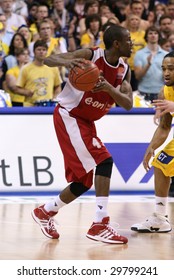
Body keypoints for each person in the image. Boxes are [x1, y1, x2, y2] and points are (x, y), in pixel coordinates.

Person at [31, 25, 133, 244]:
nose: (132, 43)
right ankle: (99, 224)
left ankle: (45, 211)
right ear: (117, 43)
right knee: (105, 161)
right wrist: (68, 62)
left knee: (84, 181)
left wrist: (108, 89)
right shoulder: (90, 55)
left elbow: (127, 104)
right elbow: (49, 60)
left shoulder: (124, 69)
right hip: (70, 115)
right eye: (128, 40)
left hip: (85, 121)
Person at [131, 50, 174, 233]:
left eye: (171, 69)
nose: (166, 73)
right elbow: (164, 127)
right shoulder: (164, 92)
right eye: (163, 68)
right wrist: (151, 147)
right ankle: (159, 217)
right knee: (160, 163)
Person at [15, 40, 62, 107]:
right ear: (34, 52)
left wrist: (55, 98)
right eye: (39, 49)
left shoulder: (53, 68)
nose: (41, 52)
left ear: (47, 52)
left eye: (44, 50)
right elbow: (17, 89)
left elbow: (58, 86)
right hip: (30, 107)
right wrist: (26, 92)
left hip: (48, 106)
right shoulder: (25, 68)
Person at [134, 25, 168, 102]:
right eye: (150, 33)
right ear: (146, 36)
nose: (153, 35)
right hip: (143, 92)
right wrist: (148, 64)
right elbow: (137, 76)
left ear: (159, 36)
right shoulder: (139, 54)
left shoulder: (166, 55)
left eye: (155, 33)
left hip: (161, 93)